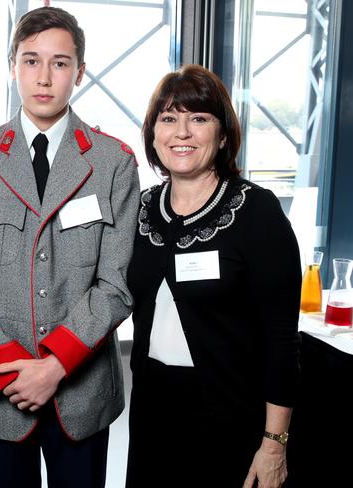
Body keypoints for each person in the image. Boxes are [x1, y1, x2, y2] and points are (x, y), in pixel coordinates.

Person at [0, 6, 139, 488]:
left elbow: (115, 284)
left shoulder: (114, 161)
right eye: (31, 61)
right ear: (12, 66)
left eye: (60, 62)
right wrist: (6, 366)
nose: (44, 77)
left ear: (80, 71)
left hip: (82, 394)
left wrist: (55, 366)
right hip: (2, 388)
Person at [125, 64, 301, 488]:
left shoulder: (257, 211)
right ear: (153, 135)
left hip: (229, 413)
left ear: (222, 136)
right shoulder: (141, 208)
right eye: (168, 119)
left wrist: (274, 444)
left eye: (199, 118)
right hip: (152, 407)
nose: (181, 132)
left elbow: (282, 340)